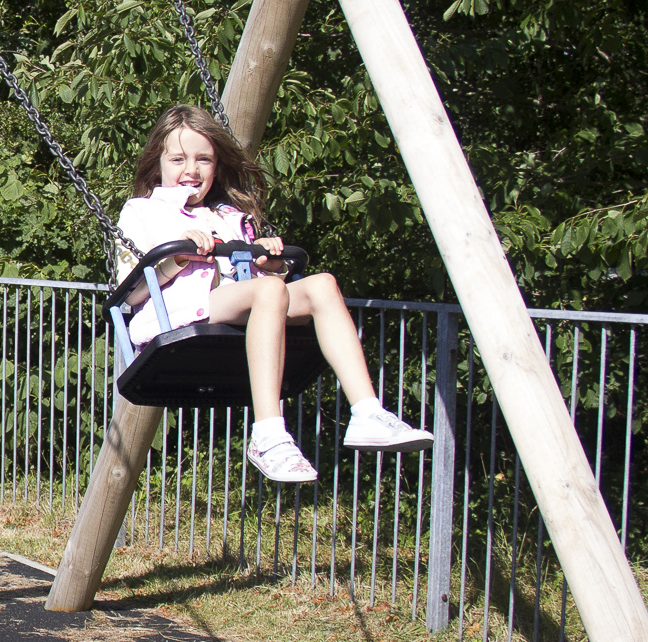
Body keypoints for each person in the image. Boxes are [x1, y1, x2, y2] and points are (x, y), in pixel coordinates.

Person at [116, 104, 431, 483]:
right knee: (268, 291)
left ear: (216, 166)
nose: (191, 170)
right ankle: (268, 434)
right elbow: (128, 294)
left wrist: (269, 262)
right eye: (178, 159)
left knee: (322, 285)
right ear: (158, 162)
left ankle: (367, 411)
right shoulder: (142, 212)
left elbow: (254, 277)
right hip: (178, 315)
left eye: (204, 160)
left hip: (237, 306)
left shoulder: (231, 217)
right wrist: (178, 257)